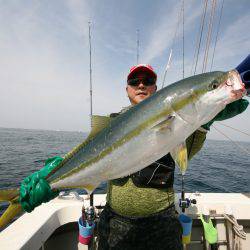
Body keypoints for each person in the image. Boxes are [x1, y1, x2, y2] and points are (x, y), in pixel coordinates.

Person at [19, 64, 249, 249]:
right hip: (115, 222)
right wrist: (50, 174)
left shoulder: (186, 125)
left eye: (147, 81)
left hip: (163, 222)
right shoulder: (111, 122)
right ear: (127, 89)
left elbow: (186, 153)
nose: (141, 85)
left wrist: (206, 119)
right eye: (134, 82)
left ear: (156, 88)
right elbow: (86, 149)